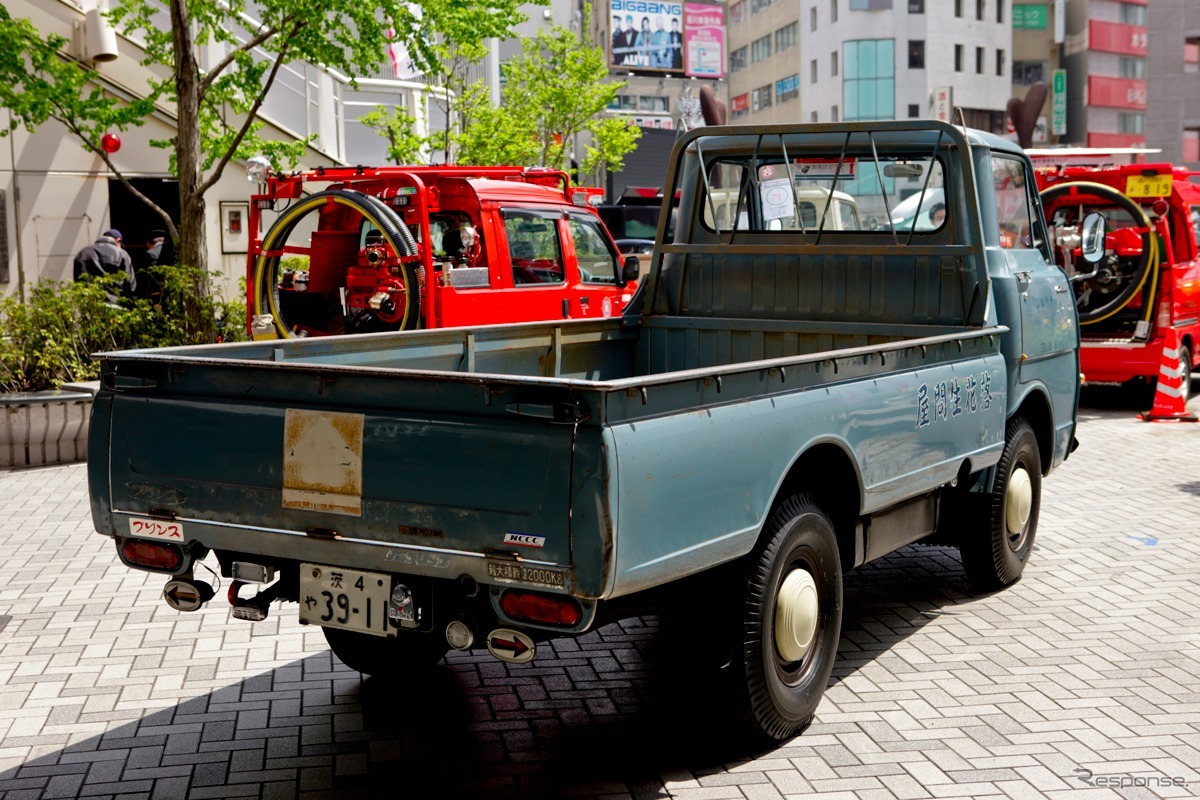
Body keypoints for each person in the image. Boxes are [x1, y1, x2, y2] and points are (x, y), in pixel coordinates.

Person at [73, 228, 136, 299]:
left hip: (90, 303)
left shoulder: (83, 252)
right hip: (115, 304)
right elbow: (130, 283)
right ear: (118, 240)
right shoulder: (122, 254)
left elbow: (78, 282)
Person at [133, 229, 167, 305]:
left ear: (148, 244)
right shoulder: (174, 252)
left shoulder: (149, 254)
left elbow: (143, 278)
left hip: (156, 296)